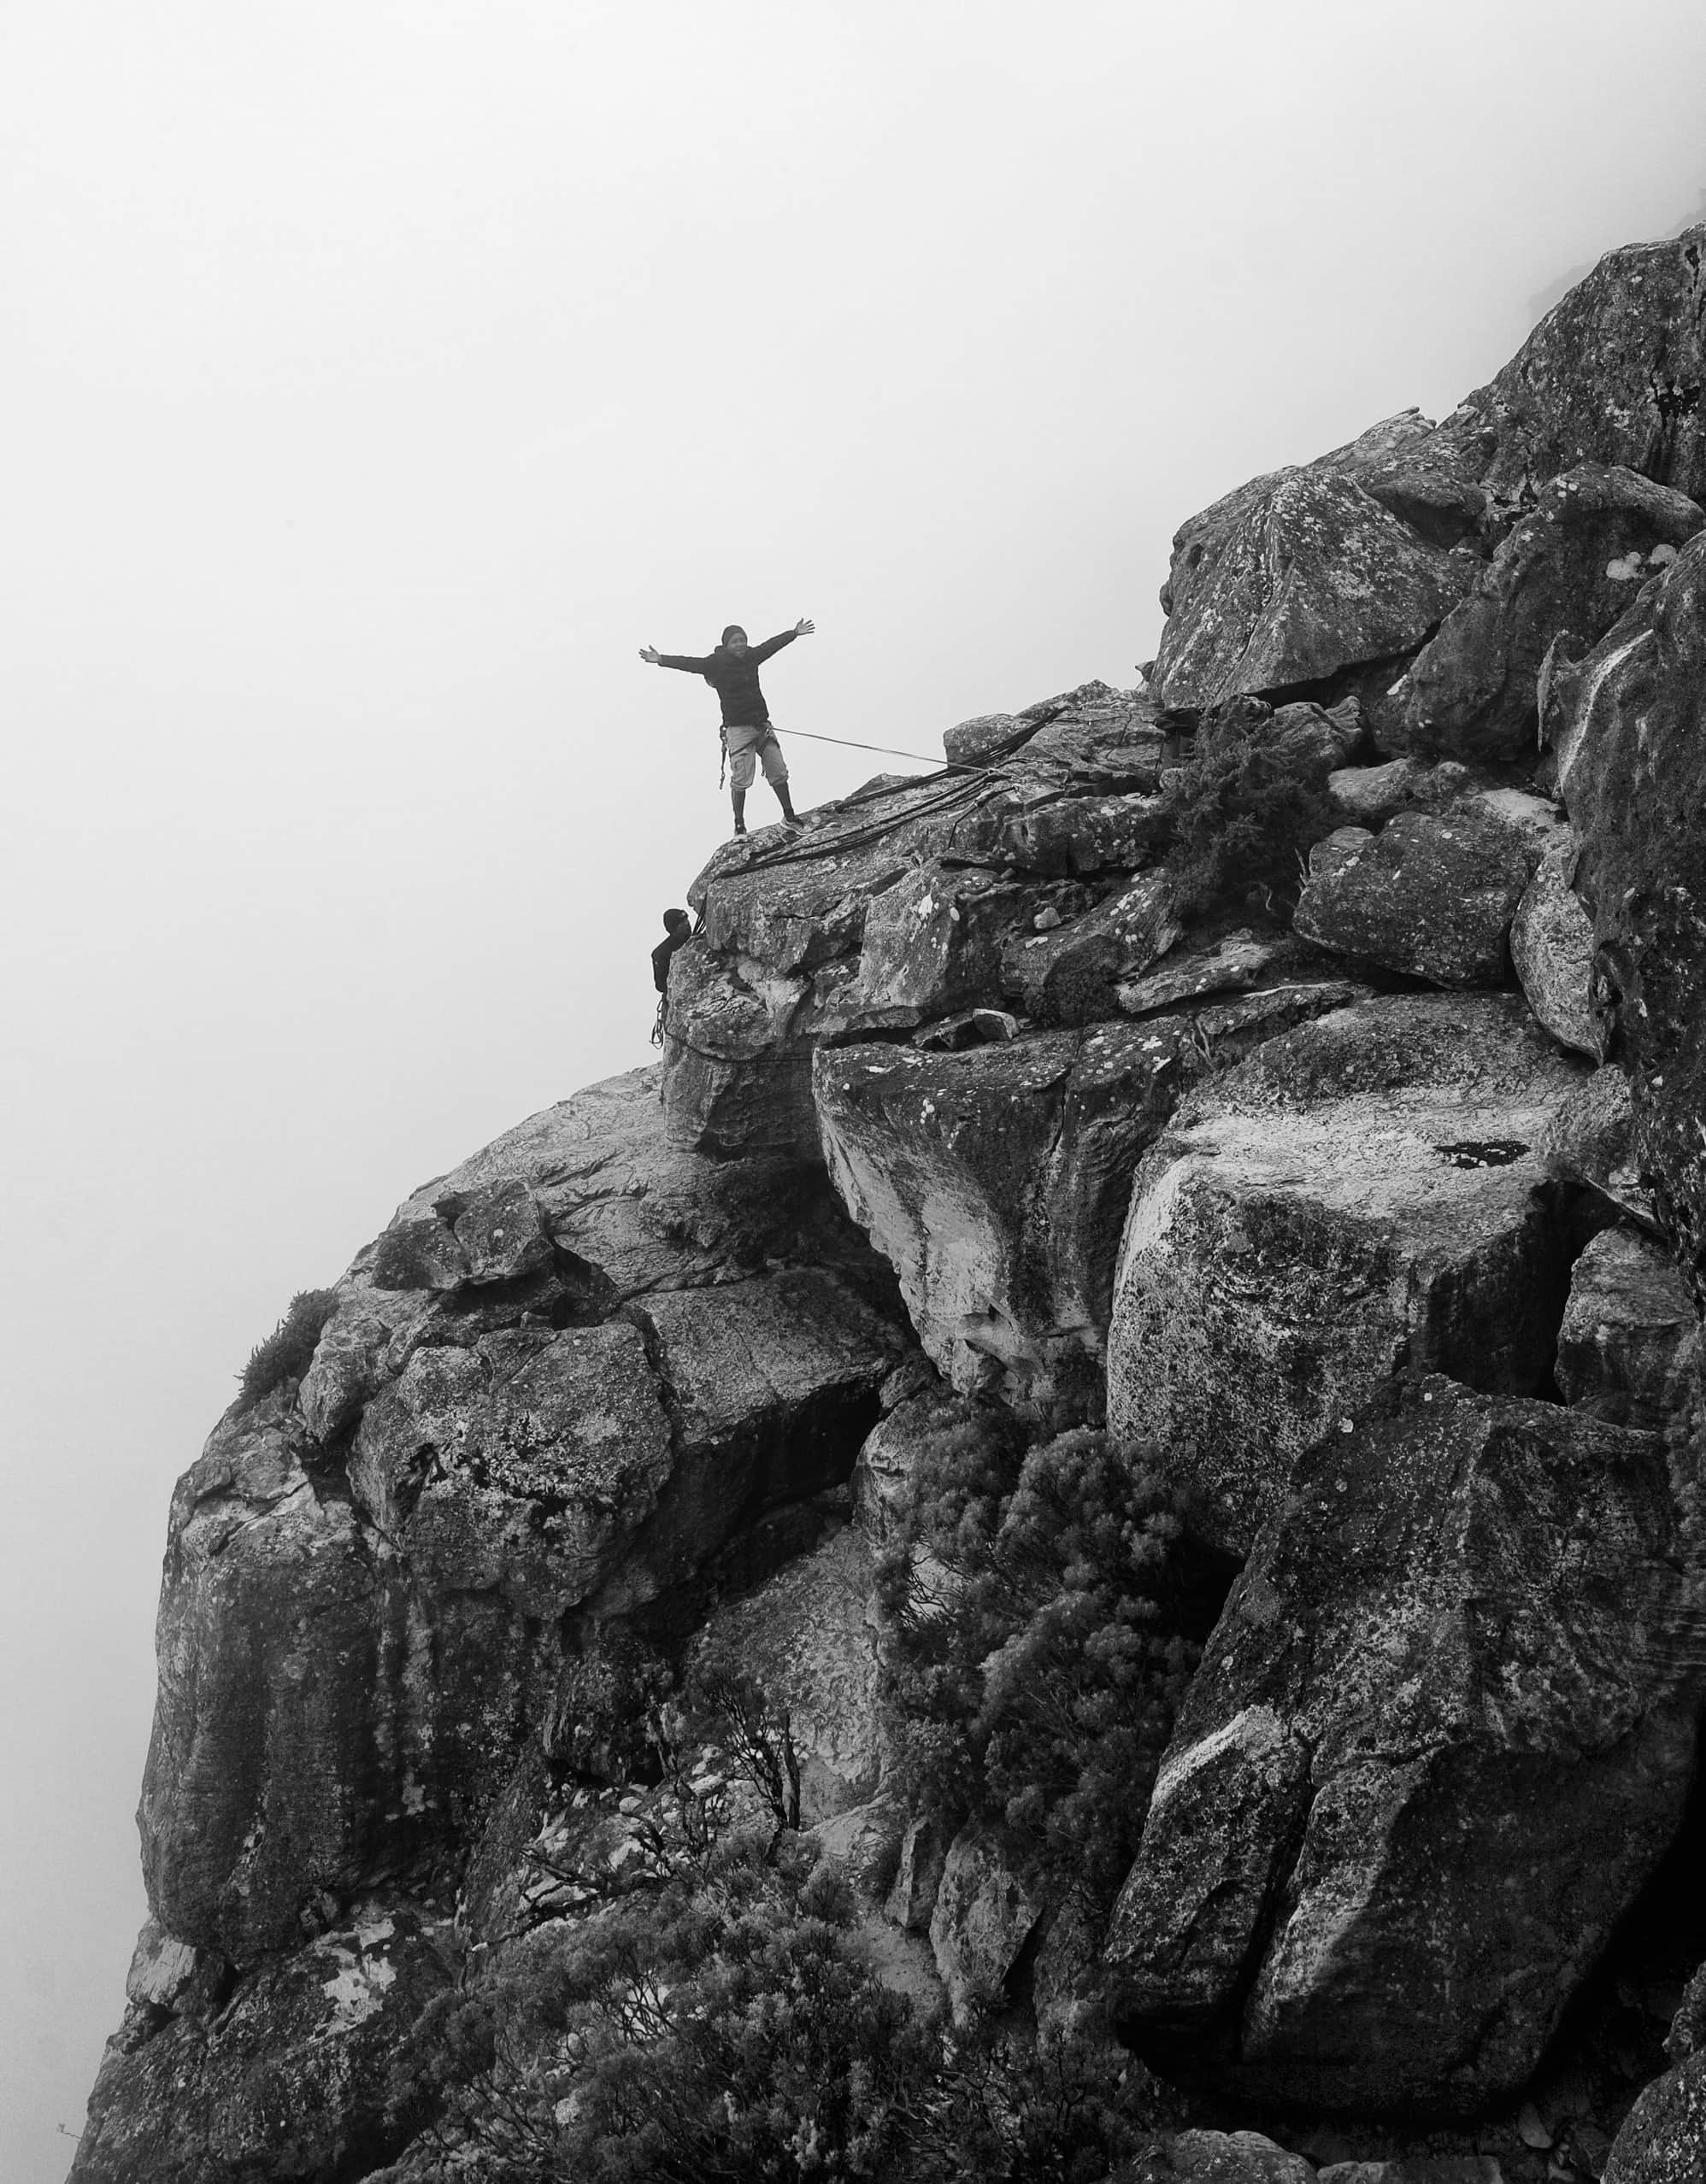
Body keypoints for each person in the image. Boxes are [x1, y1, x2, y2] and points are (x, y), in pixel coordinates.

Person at [639, 619, 815, 836]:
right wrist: (661, 659)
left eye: (743, 640)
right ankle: (739, 827)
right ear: (726, 645)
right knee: (741, 780)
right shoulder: (716, 663)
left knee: (778, 771)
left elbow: (771, 646)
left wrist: (793, 633)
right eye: (735, 641)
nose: (740, 644)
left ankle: (789, 817)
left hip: (762, 725)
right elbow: (689, 663)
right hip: (737, 729)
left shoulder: (751, 657)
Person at [650, 907, 693, 1047]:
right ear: (673, 929)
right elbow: (660, 985)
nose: (687, 923)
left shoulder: (699, 940)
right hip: (676, 1003)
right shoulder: (661, 954)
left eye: (687, 919)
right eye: (682, 922)